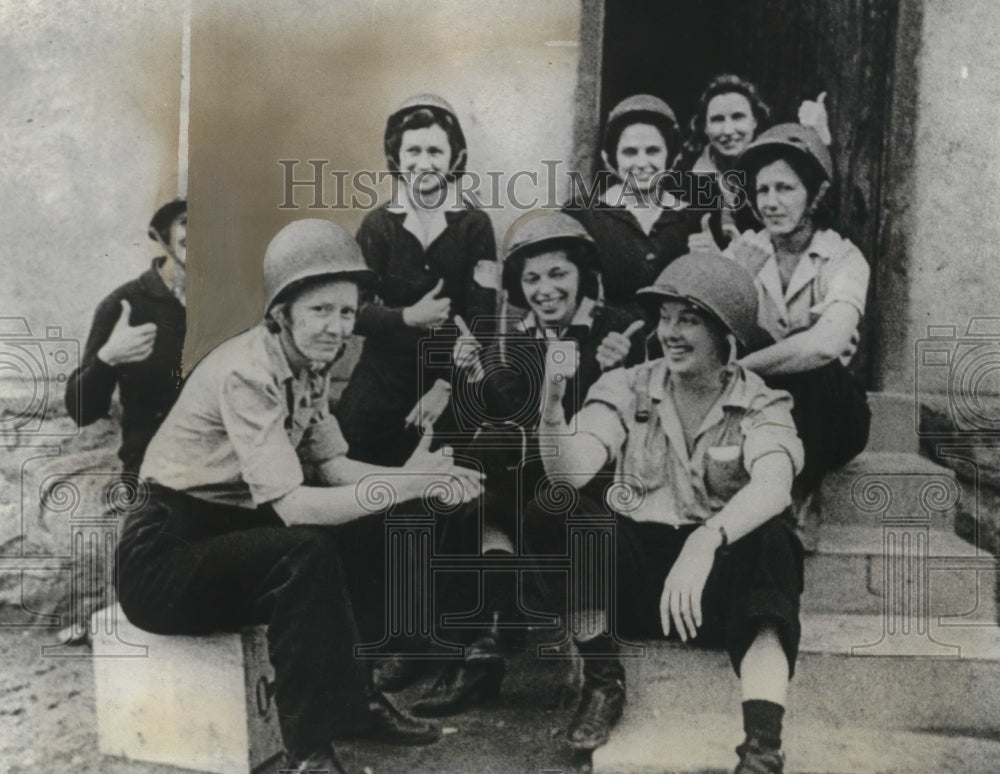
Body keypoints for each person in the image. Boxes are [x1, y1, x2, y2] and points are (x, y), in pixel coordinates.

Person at [117, 219, 484, 774]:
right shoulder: (248, 371)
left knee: (369, 526)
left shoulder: (309, 365)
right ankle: (308, 752)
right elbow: (293, 507)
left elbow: (334, 468)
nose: (337, 327)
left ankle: (358, 698)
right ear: (282, 312)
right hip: (163, 558)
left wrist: (415, 480)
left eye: (347, 312)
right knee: (305, 551)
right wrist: (413, 483)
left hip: (225, 535)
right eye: (321, 310)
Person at [525, 252, 805, 774]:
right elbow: (571, 472)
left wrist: (706, 540)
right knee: (555, 508)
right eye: (666, 318)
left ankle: (762, 746)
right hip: (637, 583)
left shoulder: (762, 402)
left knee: (774, 541)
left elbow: (774, 484)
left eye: (689, 320)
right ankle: (603, 681)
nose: (670, 333)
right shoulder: (627, 385)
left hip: (709, 593)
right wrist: (553, 411)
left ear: (727, 334)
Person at [407, 210, 645, 717]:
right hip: (530, 479)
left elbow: (603, 421)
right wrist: (474, 374)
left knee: (508, 482)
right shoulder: (519, 339)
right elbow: (516, 417)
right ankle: (485, 644)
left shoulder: (620, 329)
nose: (545, 290)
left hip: (598, 480)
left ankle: (581, 669)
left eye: (558, 274)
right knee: (469, 478)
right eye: (532, 279)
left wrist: (621, 363)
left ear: (583, 275)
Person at [336, 94, 498, 466]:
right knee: (352, 447)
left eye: (435, 151)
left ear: (455, 157)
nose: (423, 163)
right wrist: (408, 317)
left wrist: (446, 385)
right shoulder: (378, 225)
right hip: (383, 373)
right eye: (413, 151)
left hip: (451, 372)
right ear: (395, 157)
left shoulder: (474, 225)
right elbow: (352, 313)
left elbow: (483, 319)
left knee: (448, 470)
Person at [727, 123, 871, 498]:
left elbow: (825, 345)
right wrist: (739, 278)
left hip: (828, 418)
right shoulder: (743, 252)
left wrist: (739, 368)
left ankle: (795, 496)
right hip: (756, 405)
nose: (771, 203)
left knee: (816, 366)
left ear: (816, 193)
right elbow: (709, 335)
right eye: (762, 190)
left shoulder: (842, 257)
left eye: (785, 188)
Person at [65, 199, 187, 477]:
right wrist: (108, 358)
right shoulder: (124, 304)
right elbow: (82, 412)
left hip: (223, 471)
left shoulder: (229, 308)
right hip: (151, 472)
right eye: (187, 222)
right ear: (163, 234)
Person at [563, 94, 700, 324]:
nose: (642, 163)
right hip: (607, 340)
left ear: (672, 156)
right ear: (610, 158)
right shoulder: (583, 215)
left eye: (653, 151)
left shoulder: (692, 218)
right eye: (630, 152)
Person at [676, 74, 830, 250]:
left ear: (754, 121)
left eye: (738, 117)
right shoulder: (685, 177)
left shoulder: (777, 165)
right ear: (705, 127)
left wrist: (821, 139)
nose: (728, 130)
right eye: (717, 119)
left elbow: (818, 209)